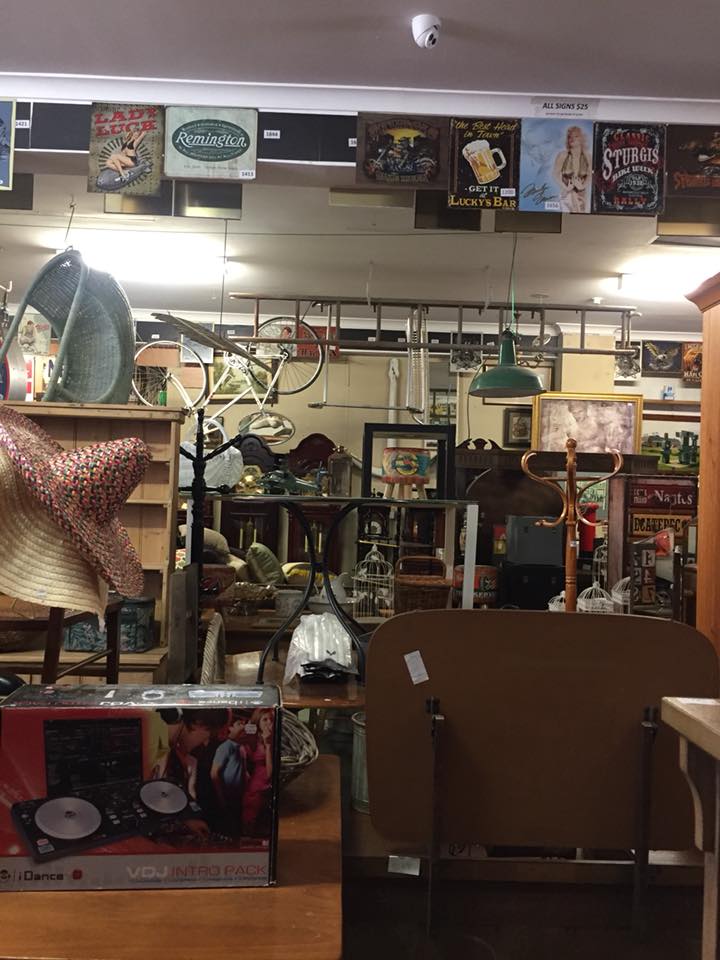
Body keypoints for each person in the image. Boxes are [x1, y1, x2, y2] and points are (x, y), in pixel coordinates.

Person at [210, 710, 251, 836]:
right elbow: (214, 773)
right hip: (227, 795)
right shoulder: (225, 747)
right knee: (228, 825)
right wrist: (221, 796)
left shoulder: (241, 747)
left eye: (245, 724)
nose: (243, 727)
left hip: (239, 795)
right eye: (239, 724)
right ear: (230, 728)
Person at [242, 709, 274, 837]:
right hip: (255, 783)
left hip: (266, 782)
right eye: (265, 720)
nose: (269, 723)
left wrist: (268, 745)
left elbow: (270, 773)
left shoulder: (274, 739)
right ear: (258, 723)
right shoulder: (253, 739)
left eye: (271, 719)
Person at [553, 126, 592, 213]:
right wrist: (565, 187)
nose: (572, 139)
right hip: (567, 194)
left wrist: (582, 186)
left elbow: (590, 175)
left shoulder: (588, 157)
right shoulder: (562, 155)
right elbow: (555, 174)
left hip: (582, 195)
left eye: (576, 136)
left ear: (581, 138)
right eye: (570, 137)